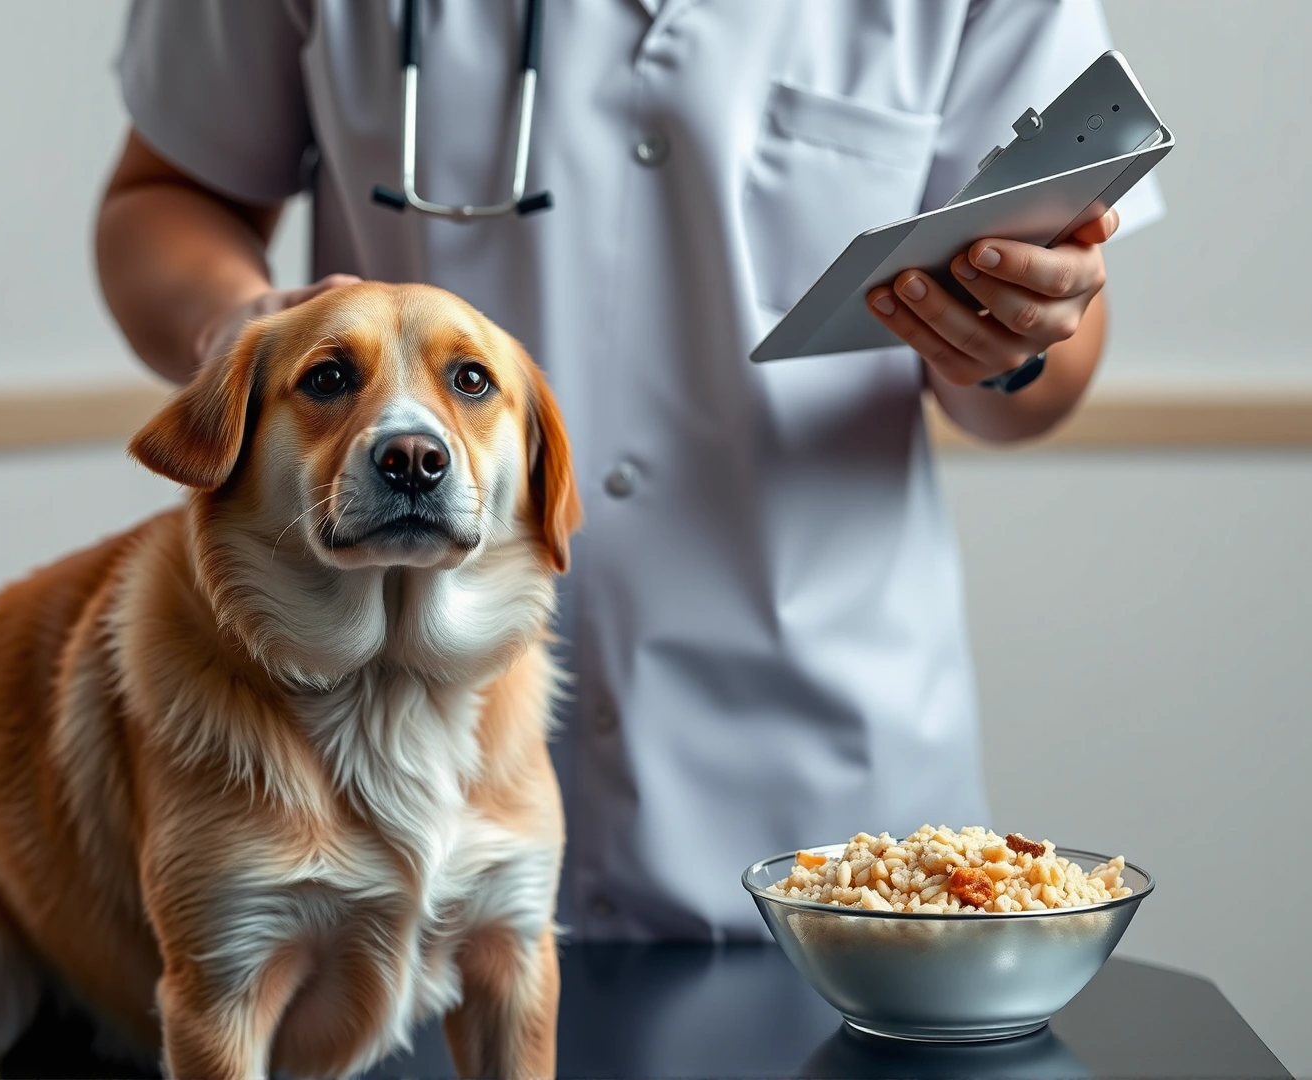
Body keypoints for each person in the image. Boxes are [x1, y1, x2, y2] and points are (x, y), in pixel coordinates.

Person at [97, 0, 1162, 941]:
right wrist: (235, 323)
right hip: (386, 791)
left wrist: (1015, 343)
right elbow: (164, 193)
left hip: (827, 808)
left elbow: (1047, 369)